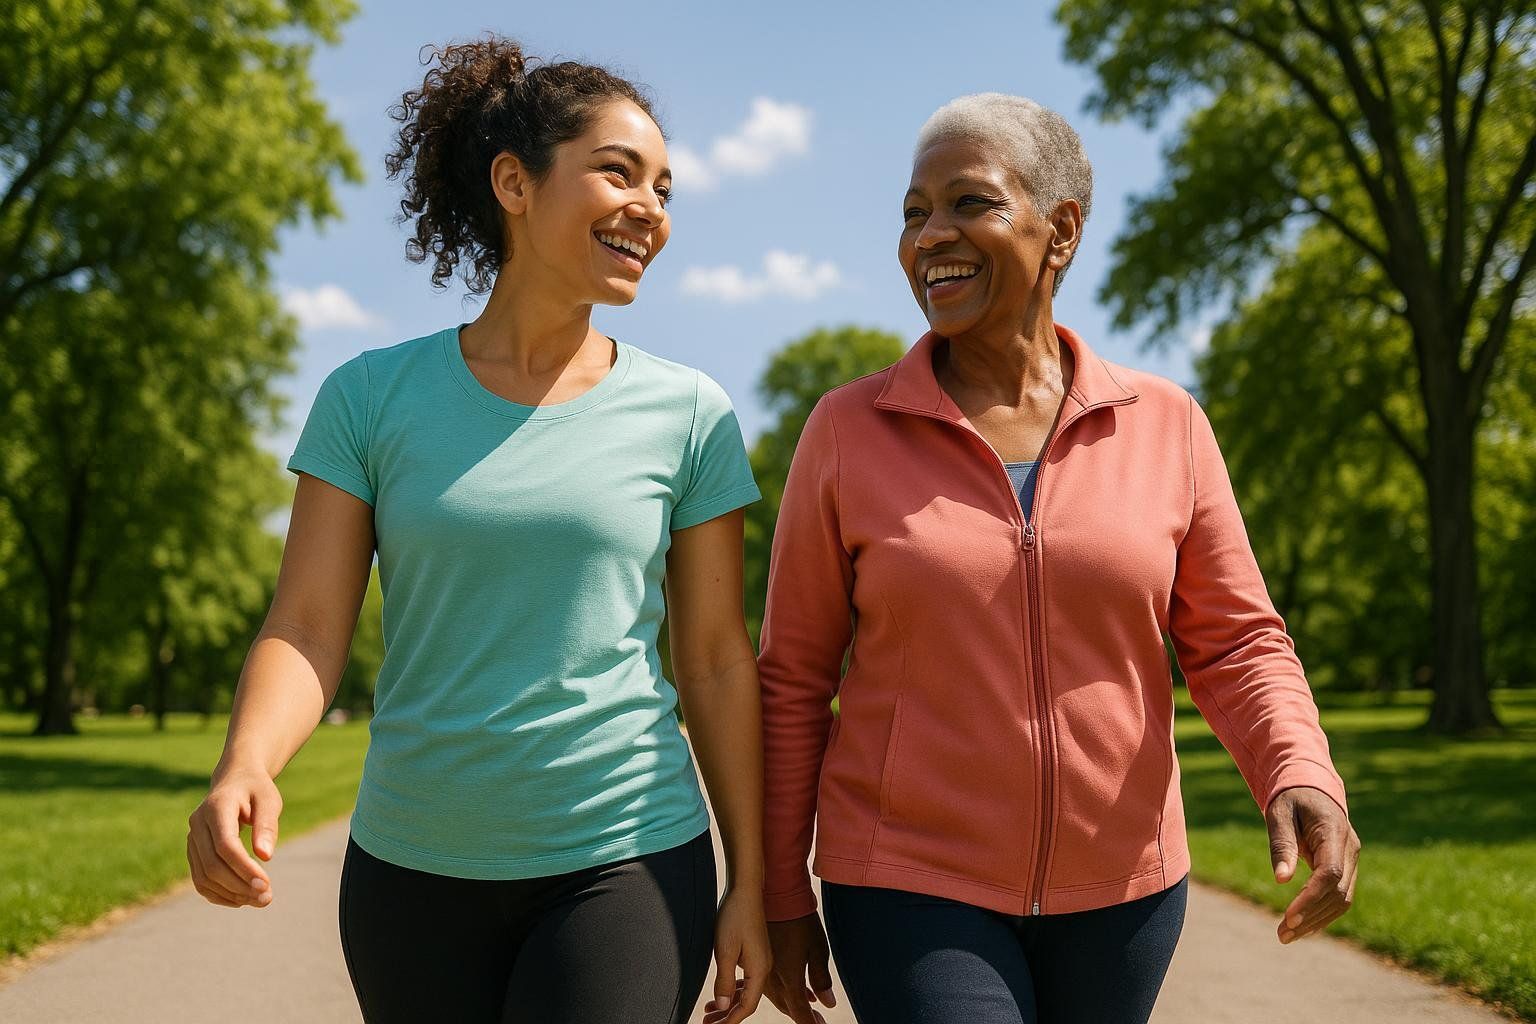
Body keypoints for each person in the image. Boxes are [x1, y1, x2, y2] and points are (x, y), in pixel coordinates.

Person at [185, 36, 771, 1024]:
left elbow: (714, 659)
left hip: (624, 856)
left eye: (665, 188)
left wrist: (753, 876)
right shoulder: (370, 398)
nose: (652, 211)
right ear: (514, 181)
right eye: (618, 173)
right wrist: (246, 759)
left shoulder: (692, 414)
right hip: (412, 871)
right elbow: (309, 625)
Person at [758, 92, 1362, 1024]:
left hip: (1126, 896)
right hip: (908, 885)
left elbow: (1238, 641)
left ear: (1061, 229)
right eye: (914, 213)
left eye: (970, 203)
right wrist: (783, 893)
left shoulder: (1167, 425)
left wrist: (1300, 771)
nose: (930, 236)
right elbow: (793, 680)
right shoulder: (846, 431)